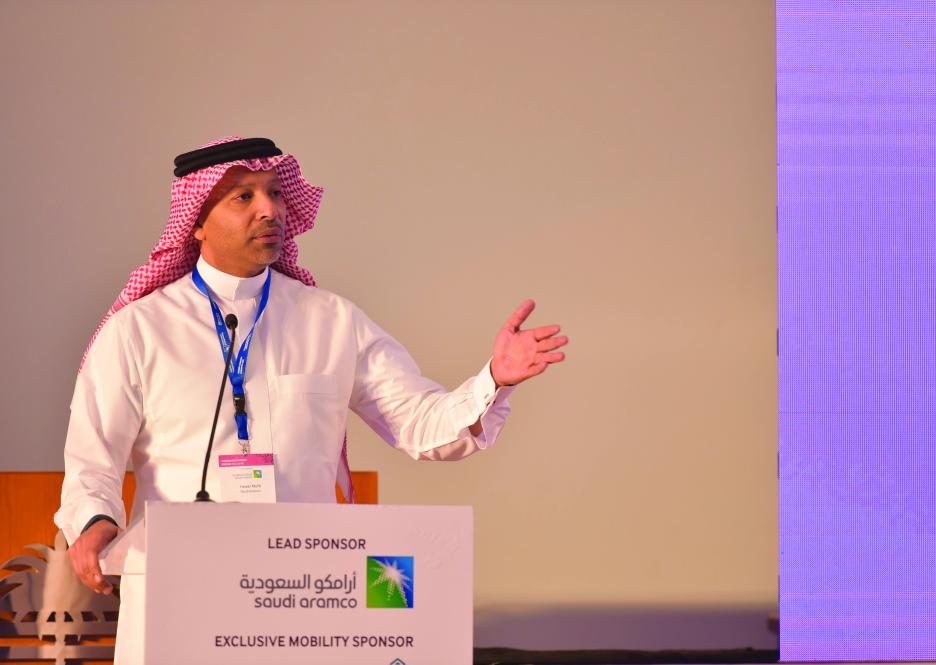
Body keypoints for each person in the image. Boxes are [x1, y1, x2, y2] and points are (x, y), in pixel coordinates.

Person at [54, 136, 568, 663]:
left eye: (275, 193)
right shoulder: (138, 330)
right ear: (197, 221)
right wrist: (94, 523)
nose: (269, 209)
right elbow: (93, 460)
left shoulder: (331, 321)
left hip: (303, 597)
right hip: (182, 594)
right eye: (243, 197)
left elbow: (418, 422)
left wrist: (493, 380)